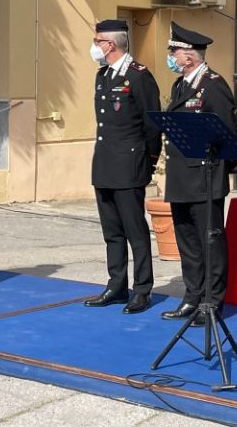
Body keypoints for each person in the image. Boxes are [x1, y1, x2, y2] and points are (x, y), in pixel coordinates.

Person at [159, 22, 237, 327]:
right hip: (181, 176)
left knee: (210, 243)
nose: (171, 56)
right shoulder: (181, 85)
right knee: (188, 242)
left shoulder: (213, 85)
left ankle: (211, 302)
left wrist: (220, 170)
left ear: (189, 55)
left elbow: (227, 133)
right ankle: (192, 296)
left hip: (204, 176)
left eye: (174, 51)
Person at [85, 19, 162, 314]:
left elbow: (152, 123)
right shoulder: (102, 75)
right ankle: (117, 284)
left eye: (97, 41)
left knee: (135, 230)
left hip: (130, 164)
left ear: (110, 44)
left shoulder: (138, 76)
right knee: (112, 231)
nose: (94, 47)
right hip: (104, 162)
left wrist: (149, 160)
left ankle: (142, 289)